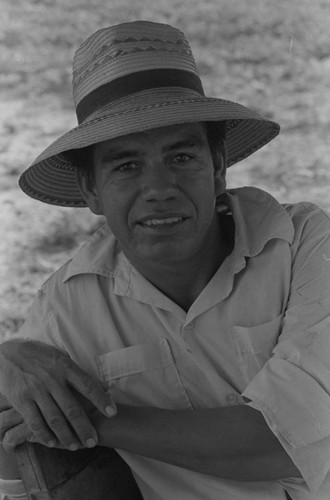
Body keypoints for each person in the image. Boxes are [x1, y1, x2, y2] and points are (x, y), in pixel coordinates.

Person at [0, 20, 329, 500]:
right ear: (91, 189)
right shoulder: (67, 307)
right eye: (126, 166)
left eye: (181, 157)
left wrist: (92, 418)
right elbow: (19, 459)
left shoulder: (305, 245)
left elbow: (286, 442)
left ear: (217, 168)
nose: (159, 190)